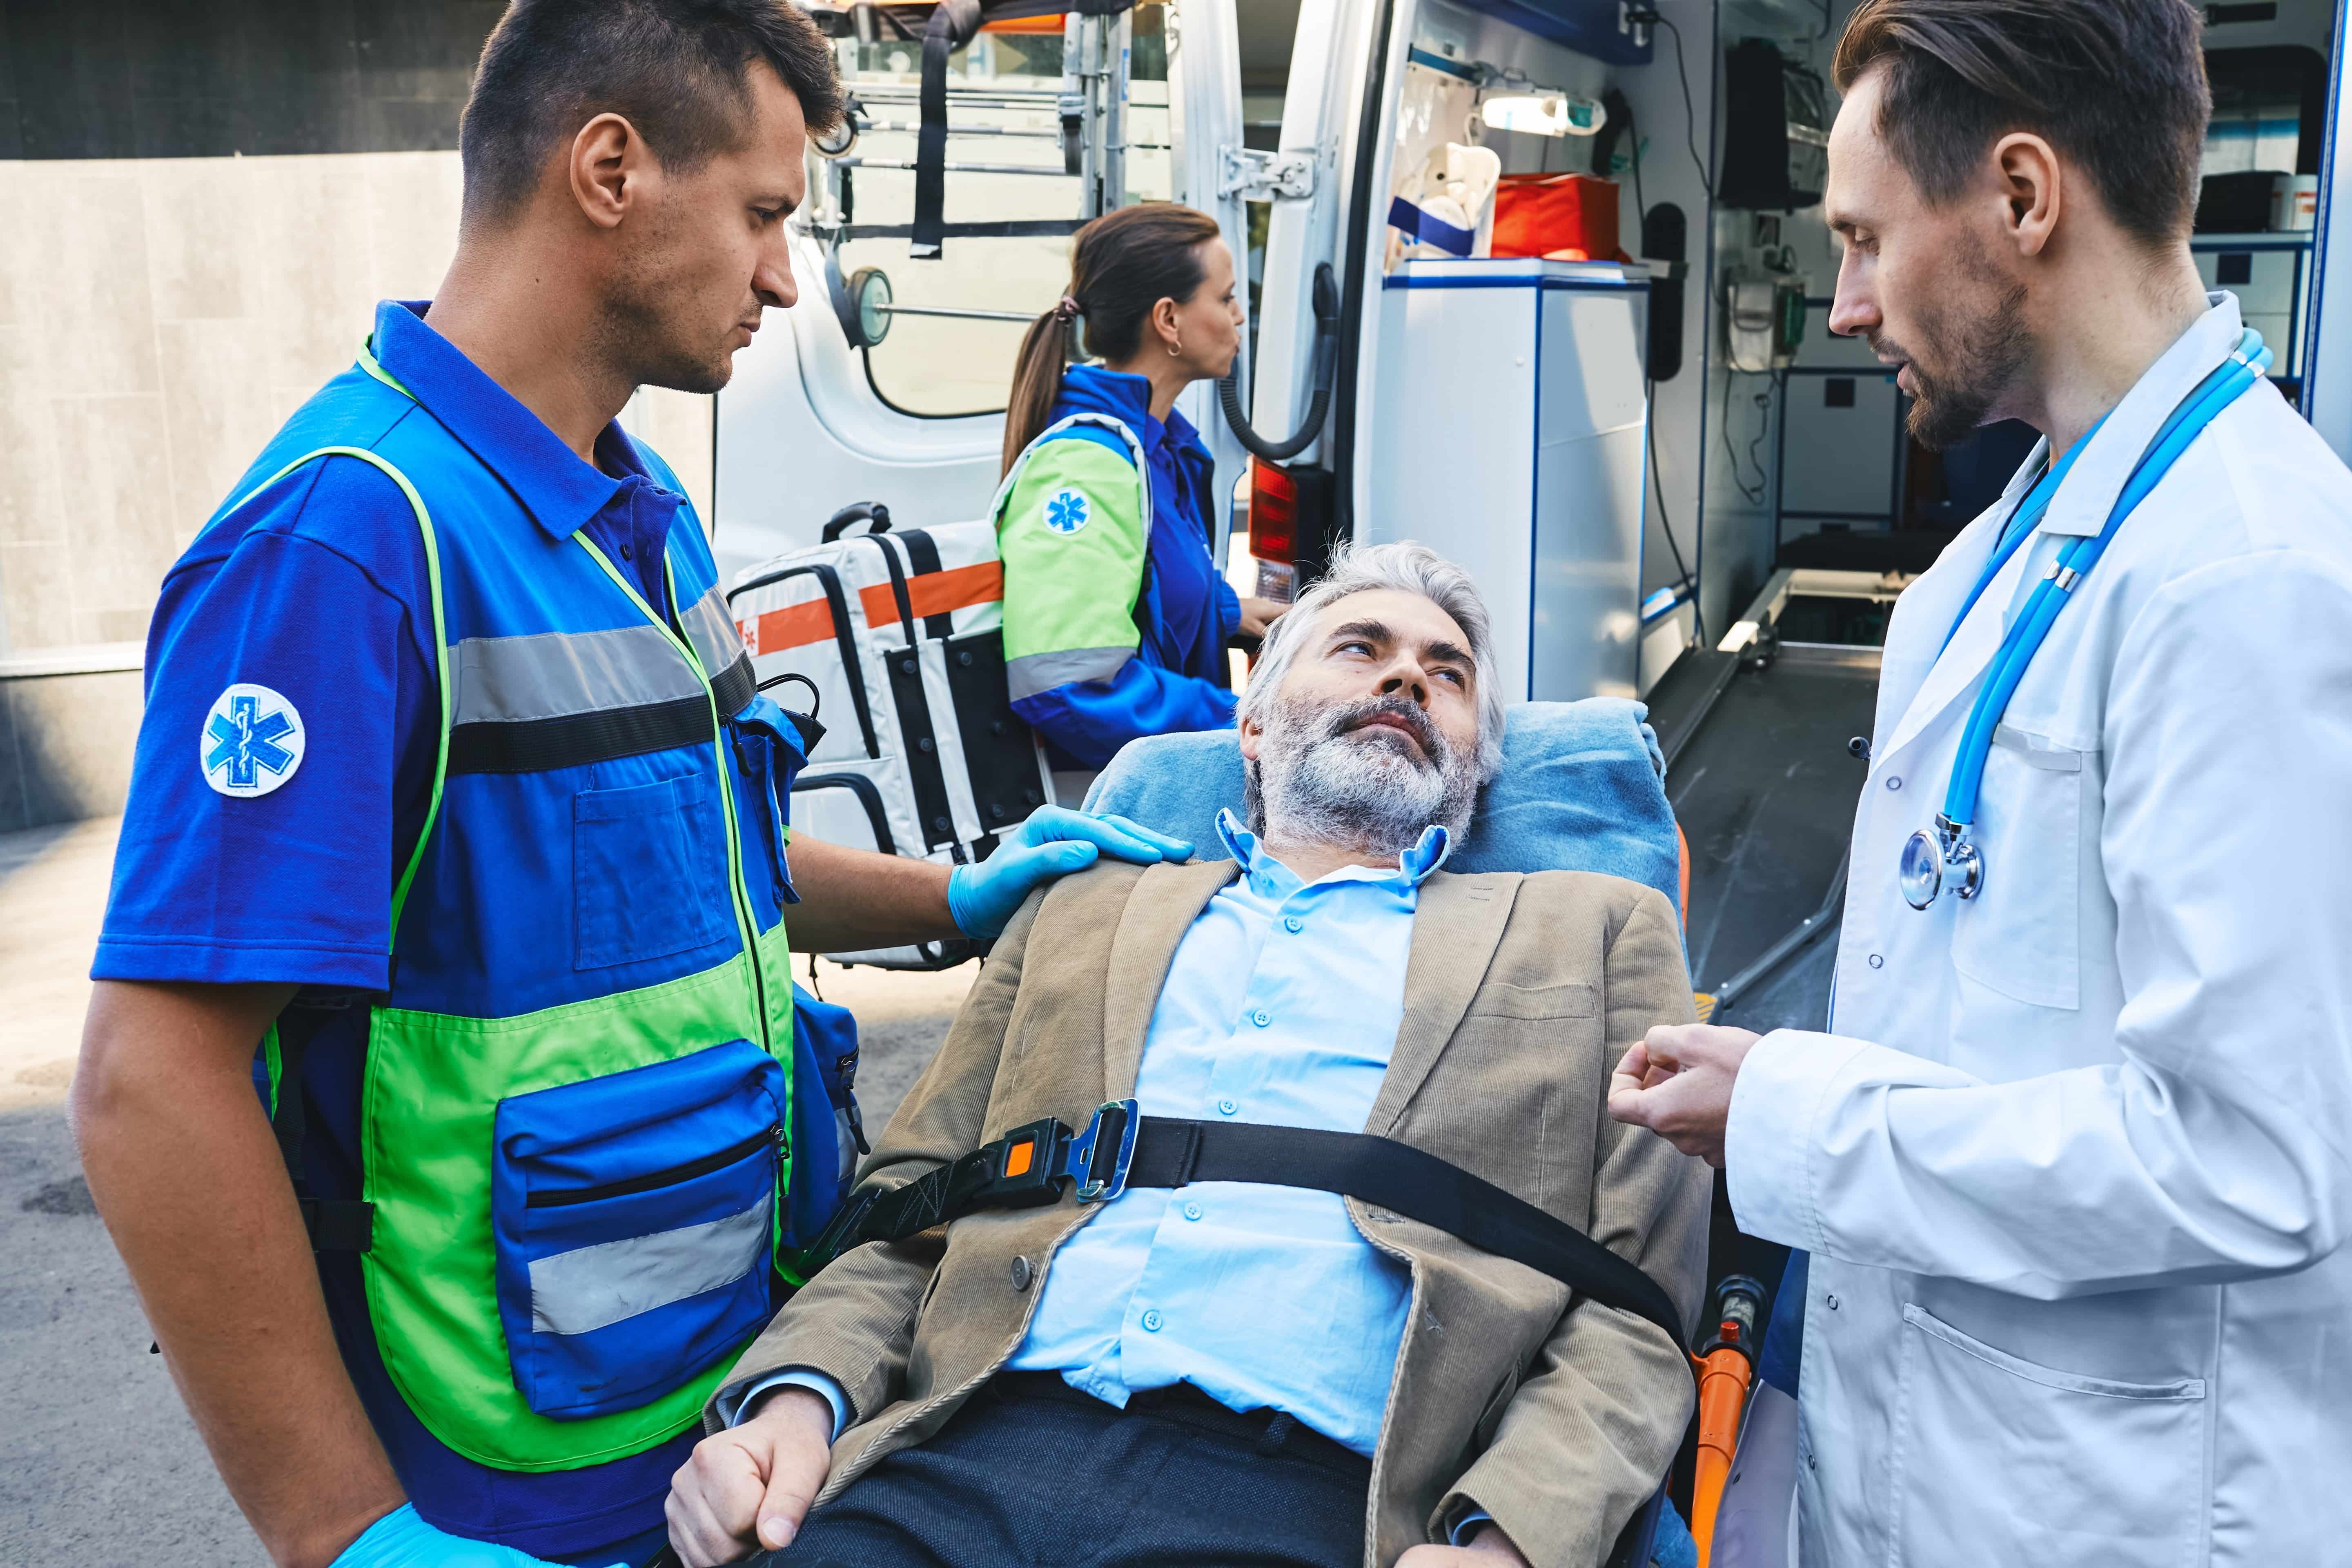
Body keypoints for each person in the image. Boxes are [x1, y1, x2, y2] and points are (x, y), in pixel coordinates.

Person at [69, 6, 1189, 1567]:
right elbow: (152, 1082)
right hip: (508, 1483)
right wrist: (351, 1534)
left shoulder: (639, 504)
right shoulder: (345, 546)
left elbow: (693, 857)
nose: (787, 277)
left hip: (721, 1413)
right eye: (763, 215)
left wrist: (957, 894)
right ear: (611, 170)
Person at [1607, 2, 2352, 1563]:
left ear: (2022, 198)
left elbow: (2251, 1161)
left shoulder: (2252, 576)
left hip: (2113, 1500)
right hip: (1937, 1446)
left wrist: (1798, 1111)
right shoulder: (2005, 551)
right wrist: (1781, 1086)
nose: (1849, 305)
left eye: (1867, 241)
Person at [663, 541, 1711, 1568]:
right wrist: (796, 1403)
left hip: (1317, 1495)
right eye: (1360, 647)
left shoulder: (1590, 928)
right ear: (1251, 726)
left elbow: (1638, 1312)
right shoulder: (1088, 905)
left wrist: (1509, 1540)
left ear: (1476, 768)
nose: (1407, 675)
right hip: (965, 1451)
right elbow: (907, 1206)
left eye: (1449, 675)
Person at [994, 203, 1290, 795]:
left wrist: (1224, 613)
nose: (1238, 318)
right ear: (1169, 320)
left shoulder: (1158, 451)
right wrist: (1252, 723)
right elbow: (1069, 683)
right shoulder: (1085, 467)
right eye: (1226, 299)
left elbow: (1141, 591)